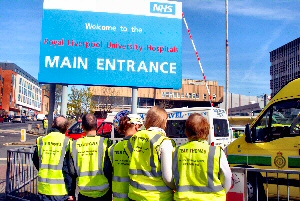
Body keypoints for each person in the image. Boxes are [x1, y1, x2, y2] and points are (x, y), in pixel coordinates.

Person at [173, 113, 232, 201]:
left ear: (187, 131)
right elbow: (227, 178)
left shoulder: (178, 151)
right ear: (207, 130)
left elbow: (174, 177)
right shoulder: (216, 152)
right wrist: (222, 192)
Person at [125, 105, 176, 201]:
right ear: (164, 122)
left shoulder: (134, 139)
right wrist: (176, 187)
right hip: (158, 197)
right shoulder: (164, 142)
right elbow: (168, 178)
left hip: (134, 194)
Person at [66, 113, 112, 201]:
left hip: (84, 192)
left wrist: (71, 193)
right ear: (97, 125)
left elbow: (71, 171)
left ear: (82, 126)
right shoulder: (106, 143)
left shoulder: (74, 144)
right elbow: (110, 169)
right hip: (104, 192)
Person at [32, 116, 72, 201]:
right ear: (66, 127)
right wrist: (71, 192)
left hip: (43, 189)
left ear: (53, 124)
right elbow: (68, 169)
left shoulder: (41, 140)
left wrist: (43, 170)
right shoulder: (67, 142)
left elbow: (35, 159)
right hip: (60, 191)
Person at [108, 110, 144, 201]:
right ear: (136, 126)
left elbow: (109, 172)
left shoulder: (113, 148)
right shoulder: (140, 148)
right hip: (135, 195)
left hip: (117, 197)